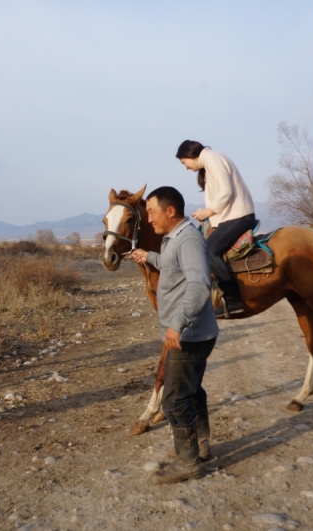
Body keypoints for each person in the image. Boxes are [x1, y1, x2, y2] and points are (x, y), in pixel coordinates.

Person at [130, 186, 218, 485]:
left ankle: (188, 463)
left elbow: (198, 285)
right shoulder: (173, 239)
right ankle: (202, 448)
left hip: (188, 335)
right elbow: (172, 264)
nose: (149, 219)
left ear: (170, 211)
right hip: (190, 333)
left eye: (152, 212)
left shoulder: (189, 240)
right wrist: (148, 256)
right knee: (192, 391)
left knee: (174, 400)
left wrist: (177, 324)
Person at [176, 140, 256, 317]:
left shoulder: (212, 159)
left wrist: (208, 212)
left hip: (239, 216)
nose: (186, 168)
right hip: (232, 216)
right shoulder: (211, 161)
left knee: (208, 251)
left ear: (190, 155)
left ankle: (234, 300)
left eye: (184, 163)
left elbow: (225, 192)